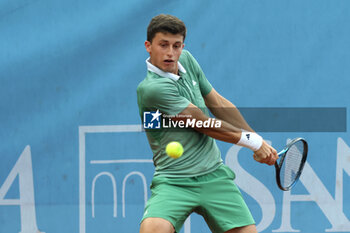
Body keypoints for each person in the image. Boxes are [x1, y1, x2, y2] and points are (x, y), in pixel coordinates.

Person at [137, 14, 278, 233]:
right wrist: (253, 143)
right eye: (163, 45)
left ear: (183, 46)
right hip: (174, 180)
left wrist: (258, 141)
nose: (170, 53)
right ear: (148, 46)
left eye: (176, 46)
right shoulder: (152, 89)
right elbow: (203, 123)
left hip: (214, 174)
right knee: (153, 230)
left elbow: (218, 103)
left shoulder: (187, 60)